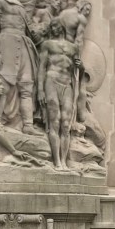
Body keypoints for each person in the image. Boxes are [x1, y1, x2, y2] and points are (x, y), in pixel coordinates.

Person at [0, 0, 39, 133]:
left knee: (26, 86)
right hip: (6, 43)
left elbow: (32, 30)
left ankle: (28, 125)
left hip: (24, 45)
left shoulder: (21, 8)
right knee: (4, 84)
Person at [37, 18, 79, 168]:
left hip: (67, 83)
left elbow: (77, 69)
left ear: (61, 26)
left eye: (55, 26)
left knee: (66, 124)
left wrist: (81, 66)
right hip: (51, 81)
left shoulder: (73, 47)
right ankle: (57, 162)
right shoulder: (47, 45)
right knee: (55, 121)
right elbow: (42, 67)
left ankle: (64, 161)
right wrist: (40, 90)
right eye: (51, 26)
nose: (53, 28)